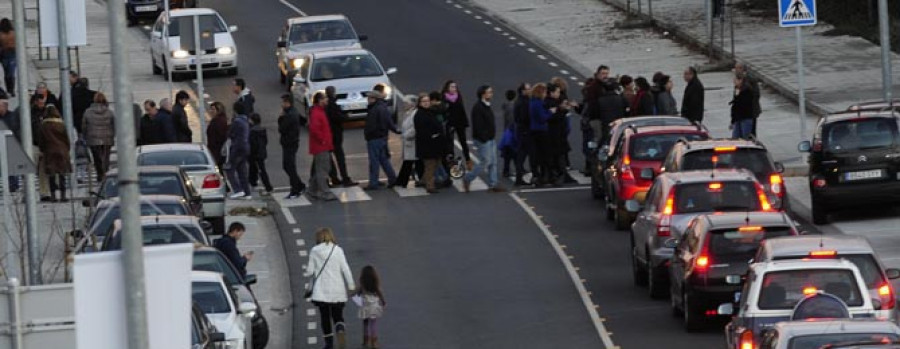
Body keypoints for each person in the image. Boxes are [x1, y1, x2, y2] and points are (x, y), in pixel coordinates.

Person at [306, 228, 355, 349]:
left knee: (325, 317)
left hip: (321, 292)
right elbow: (345, 269)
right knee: (338, 315)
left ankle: (329, 344)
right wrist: (351, 286)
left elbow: (309, 271)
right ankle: (340, 328)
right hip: (337, 290)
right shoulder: (338, 250)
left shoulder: (314, 250)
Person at [464, 85, 504, 193]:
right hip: (483, 140)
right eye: (489, 92)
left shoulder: (486, 105)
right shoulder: (478, 108)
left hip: (490, 138)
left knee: (493, 162)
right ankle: (467, 178)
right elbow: (478, 125)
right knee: (485, 161)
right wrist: (484, 138)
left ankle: (493, 184)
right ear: (483, 94)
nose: (491, 94)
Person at [363, 90, 400, 190]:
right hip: (381, 137)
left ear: (374, 99)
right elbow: (389, 122)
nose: (368, 99)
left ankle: (373, 183)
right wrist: (396, 130)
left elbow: (373, 125)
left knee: (374, 162)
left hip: (375, 138)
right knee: (384, 160)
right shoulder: (382, 108)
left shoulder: (375, 109)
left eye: (370, 97)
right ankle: (392, 178)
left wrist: (369, 134)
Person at [308, 92, 337, 201]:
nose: (327, 100)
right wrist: (323, 141)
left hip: (322, 145)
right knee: (323, 170)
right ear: (320, 100)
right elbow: (315, 130)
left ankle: (312, 189)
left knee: (321, 168)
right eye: (325, 98)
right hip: (321, 146)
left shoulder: (319, 111)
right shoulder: (317, 113)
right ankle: (325, 192)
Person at [413, 94, 445, 193]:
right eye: (424, 101)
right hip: (427, 145)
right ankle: (430, 186)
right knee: (430, 165)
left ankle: (423, 180)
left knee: (435, 163)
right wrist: (433, 135)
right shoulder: (420, 115)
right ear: (419, 103)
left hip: (435, 144)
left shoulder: (430, 112)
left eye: (427, 101)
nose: (426, 103)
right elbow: (422, 131)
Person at [325, 86, 356, 187]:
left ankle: (333, 177)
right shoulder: (333, 105)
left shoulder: (326, 105)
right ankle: (345, 178)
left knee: (329, 158)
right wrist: (346, 116)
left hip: (329, 135)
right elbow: (337, 117)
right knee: (340, 158)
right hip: (335, 135)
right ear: (333, 93)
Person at [82, 92, 115, 182]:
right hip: (107, 138)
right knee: (106, 158)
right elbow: (114, 125)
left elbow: (84, 126)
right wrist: (112, 135)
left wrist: (85, 136)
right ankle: (106, 174)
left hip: (93, 138)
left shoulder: (88, 112)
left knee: (97, 158)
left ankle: (100, 175)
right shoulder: (109, 112)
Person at [39, 106, 71, 202]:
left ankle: (53, 196)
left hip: (50, 151)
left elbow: (41, 140)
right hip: (62, 150)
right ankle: (63, 195)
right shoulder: (61, 124)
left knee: (51, 175)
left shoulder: (44, 125)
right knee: (62, 174)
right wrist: (67, 149)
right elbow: (66, 139)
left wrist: (43, 149)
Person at [278, 94, 307, 198]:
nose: (282, 105)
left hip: (289, 143)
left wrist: (280, 117)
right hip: (292, 142)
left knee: (289, 166)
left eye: (283, 102)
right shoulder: (293, 112)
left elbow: (281, 129)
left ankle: (296, 188)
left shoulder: (289, 115)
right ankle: (299, 185)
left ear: (287, 103)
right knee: (289, 166)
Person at [441, 80, 471, 168]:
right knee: (450, 144)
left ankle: (468, 160)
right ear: (447, 88)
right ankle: (451, 163)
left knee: (463, 142)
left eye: (455, 87)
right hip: (450, 124)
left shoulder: (458, 97)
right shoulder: (444, 98)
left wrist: (465, 122)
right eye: (452, 87)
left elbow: (462, 111)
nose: (454, 89)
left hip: (460, 123)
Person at [529, 83, 554, 185]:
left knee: (537, 155)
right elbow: (542, 118)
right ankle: (544, 177)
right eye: (544, 92)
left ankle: (539, 176)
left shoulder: (532, 102)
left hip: (534, 131)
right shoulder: (538, 104)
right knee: (545, 154)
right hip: (541, 131)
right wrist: (550, 112)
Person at [544, 83, 569, 185]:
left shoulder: (552, 103)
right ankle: (558, 175)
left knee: (556, 156)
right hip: (555, 134)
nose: (559, 94)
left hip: (556, 133)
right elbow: (553, 118)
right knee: (558, 156)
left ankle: (554, 175)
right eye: (557, 92)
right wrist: (562, 111)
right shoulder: (550, 103)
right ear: (552, 93)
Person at [355, 265, 385, 349]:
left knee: (365, 323)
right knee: (373, 323)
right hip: (374, 306)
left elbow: (357, 293)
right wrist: (383, 302)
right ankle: (374, 341)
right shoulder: (375, 285)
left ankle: (365, 340)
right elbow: (380, 293)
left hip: (365, 306)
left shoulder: (362, 285)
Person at [226, 102, 251, 199]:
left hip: (237, 148)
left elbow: (230, 134)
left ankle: (238, 189)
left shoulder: (236, 122)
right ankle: (247, 192)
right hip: (245, 148)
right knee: (241, 170)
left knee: (230, 169)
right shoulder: (245, 120)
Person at [395, 104, 422, 188]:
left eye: (406, 102)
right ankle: (402, 181)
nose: (404, 104)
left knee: (409, 163)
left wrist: (406, 135)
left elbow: (414, 128)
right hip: (409, 143)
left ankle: (402, 181)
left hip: (412, 142)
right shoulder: (408, 113)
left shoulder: (414, 114)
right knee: (413, 163)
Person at [512, 83, 533, 186]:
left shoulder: (519, 101)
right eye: (528, 89)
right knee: (524, 155)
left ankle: (519, 178)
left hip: (521, 131)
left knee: (521, 155)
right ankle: (520, 178)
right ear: (523, 91)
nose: (530, 90)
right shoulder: (524, 102)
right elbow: (525, 117)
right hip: (525, 132)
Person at [248, 113, 273, 195]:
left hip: (255, 154)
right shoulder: (262, 130)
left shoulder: (252, 131)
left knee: (261, 170)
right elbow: (265, 141)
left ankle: (268, 187)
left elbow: (252, 144)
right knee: (254, 169)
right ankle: (252, 182)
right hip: (262, 152)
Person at [735, 63, 761, 135]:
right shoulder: (738, 79)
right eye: (736, 68)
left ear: (744, 70)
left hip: (750, 112)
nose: (736, 70)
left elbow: (755, 94)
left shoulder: (750, 79)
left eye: (739, 68)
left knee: (750, 134)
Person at [0, 97, 19, 191]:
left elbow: (15, 129)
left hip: (12, 143)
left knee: (12, 166)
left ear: (5, 106)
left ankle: (13, 185)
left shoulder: (12, 116)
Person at [730, 73, 755, 139]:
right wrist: (733, 120)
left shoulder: (747, 90)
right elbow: (735, 104)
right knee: (735, 137)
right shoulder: (737, 89)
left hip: (745, 117)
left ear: (740, 80)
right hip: (738, 118)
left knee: (745, 137)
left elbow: (744, 104)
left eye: (735, 80)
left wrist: (738, 98)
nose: (734, 81)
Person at [206, 101, 228, 168]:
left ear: (218, 110)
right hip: (216, 149)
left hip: (216, 150)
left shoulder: (218, 121)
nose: (211, 111)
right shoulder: (220, 120)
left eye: (213, 109)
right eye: (211, 109)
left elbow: (220, 136)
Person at [500, 90, 516, 177]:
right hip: (511, 131)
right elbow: (512, 120)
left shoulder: (505, 106)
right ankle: (515, 169)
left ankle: (506, 169)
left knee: (507, 153)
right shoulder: (512, 106)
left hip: (506, 131)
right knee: (513, 152)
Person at [0, 19, 15, 96]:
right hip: (12, 54)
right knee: (11, 73)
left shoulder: (1, 34)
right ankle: (11, 90)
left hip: (3, 54)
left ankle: (8, 90)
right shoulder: (13, 33)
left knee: (6, 73)